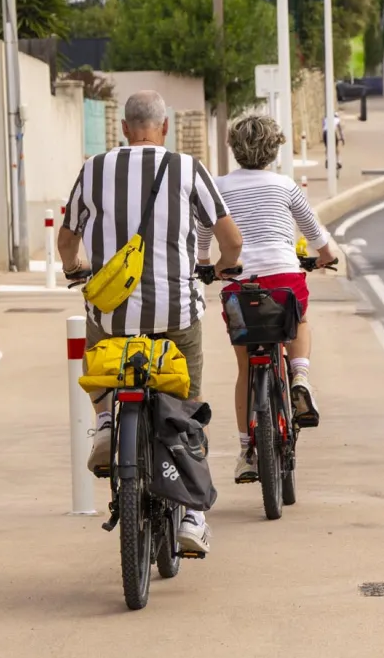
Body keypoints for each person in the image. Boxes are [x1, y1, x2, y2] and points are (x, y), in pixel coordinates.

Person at [58, 90, 243, 554]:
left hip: (113, 314)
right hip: (175, 310)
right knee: (189, 405)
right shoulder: (187, 168)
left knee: (100, 349)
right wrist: (224, 267)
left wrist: (75, 268)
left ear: (123, 128)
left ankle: (106, 422)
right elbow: (232, 241)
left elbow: (67, 239)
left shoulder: (94, 168)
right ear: (165, 127)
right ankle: (193, 516)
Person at [198, 115, 337, 483]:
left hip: (240, 283)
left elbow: (203, 228)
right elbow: (314, 232)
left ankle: (247, 450)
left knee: (245, 368)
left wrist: (204, 264)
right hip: (283, 278)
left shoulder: (218, 186)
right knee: (299, 319)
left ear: (233, 148)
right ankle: (300, 377)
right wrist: (325, 257)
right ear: (274, 150)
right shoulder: (285, 185)